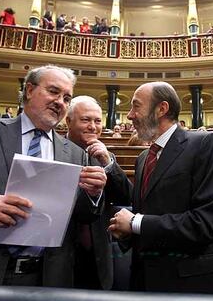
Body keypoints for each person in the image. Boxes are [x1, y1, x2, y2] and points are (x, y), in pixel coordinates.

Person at [0, 65, 107, 287]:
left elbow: (82, 216)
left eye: (67, 98)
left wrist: (93, 195)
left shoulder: (75, 153)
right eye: (53, 91)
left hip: (48, 278)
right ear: (29, 90)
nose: (60, 102)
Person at [108, 81, 213, 293]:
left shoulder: (205, 144)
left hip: (189, 283)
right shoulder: (144, 158)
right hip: (143, 280)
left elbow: (205, 224)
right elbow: (147, 214)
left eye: (136, 106)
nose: (130, 115)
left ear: (162, 109)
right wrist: (127, 232)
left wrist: (135, 223)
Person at [66, 96, 132, 290]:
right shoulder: (52, 151)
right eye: (86, 120)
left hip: (98, 255)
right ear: (68, 121)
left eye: (97, 121)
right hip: (61, 254)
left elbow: (126, 196)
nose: (93, 127)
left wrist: (108, 164)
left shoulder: (103, 157)